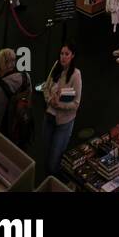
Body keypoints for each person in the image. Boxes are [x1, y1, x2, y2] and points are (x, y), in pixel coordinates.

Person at [42, 42, 82, 177]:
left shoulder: (76, 75)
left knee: (54, 160)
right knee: (46, 151)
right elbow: (46, 87)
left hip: (63, 122)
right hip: (49, 118)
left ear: (72, 56)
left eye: (67, 54)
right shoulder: (56, 66)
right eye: (61, 53)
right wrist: (49, 100)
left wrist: (60, 105)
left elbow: (76, 104)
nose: (63, 57)